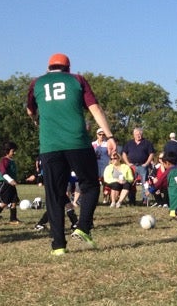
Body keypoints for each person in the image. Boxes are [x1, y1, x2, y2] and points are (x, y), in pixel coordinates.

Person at [26, 52, 117, 256]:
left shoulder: (36, 83)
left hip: (50, 146)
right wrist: (110, 136)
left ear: (49, 68)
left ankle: (58, 245)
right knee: (91, 184)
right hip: (77, 142)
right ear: (67, 68)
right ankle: (83, 227)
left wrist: (38, 122)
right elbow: (95, 109)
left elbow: (30, 111)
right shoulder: (77, 80)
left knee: (54, 196)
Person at [0, 141, 21, 225]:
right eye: (13, 151)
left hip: (11, 185)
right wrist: (10, 180)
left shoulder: (11, 160)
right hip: (5, 184)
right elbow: (3, 172)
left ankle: (13, 219)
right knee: (5, 202)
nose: (14, 152)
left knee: (14, 201)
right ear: (7, 151)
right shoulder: (4, 160)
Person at [122, 127, 154, 204]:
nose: (138, 135)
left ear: (142, 134)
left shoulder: (147, 143)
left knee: (144, 183)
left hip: (142, 166)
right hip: (132, 166)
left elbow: (151, 154)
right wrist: (128, 163)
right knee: (131, 183)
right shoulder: (129, 143)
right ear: (133, 135)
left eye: (140, 134)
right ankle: (131, 200)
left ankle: (145, 199)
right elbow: (124, 153)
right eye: (136, 134)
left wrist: (146, 163)